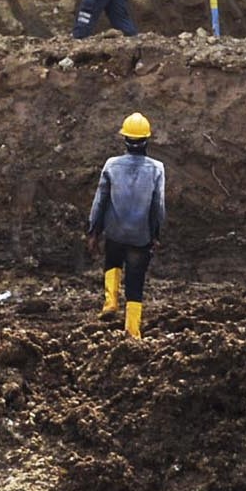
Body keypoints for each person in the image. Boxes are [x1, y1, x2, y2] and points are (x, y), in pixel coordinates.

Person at [86, 112, 167, 338]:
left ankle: (110, 302)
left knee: (112, 260)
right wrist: (156, 234)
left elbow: (100, 201)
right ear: (147, 140)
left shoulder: (111, 165)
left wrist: (94, 231)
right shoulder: (157, 169)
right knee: (135, 279)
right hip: (140, 235)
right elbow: (158, 206)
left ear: (125, 139)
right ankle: (132, 330)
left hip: (115, 231)